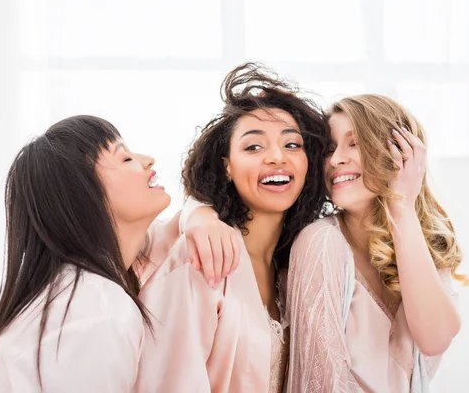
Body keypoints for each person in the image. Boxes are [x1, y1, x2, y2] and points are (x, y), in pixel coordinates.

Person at [0, 115, 236, 393]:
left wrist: (200, 217)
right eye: (124, 158)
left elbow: (170, 230)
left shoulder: (81, 281)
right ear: (83, 196)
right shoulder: (99, 310)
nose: (148, 159)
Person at [135, 63, 330, 392]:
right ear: (226, 167)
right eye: (253, 147)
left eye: (292, 145)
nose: (276, 157)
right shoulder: (200, 256)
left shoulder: (294, 267)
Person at [286, 94, 469, 392]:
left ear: (401, 153)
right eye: (329, 149)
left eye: (354, 143)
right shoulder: (321, 241)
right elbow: (321, 381)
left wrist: (401, 207)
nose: (335, 160)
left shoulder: (421, 243)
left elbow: (434, 338)